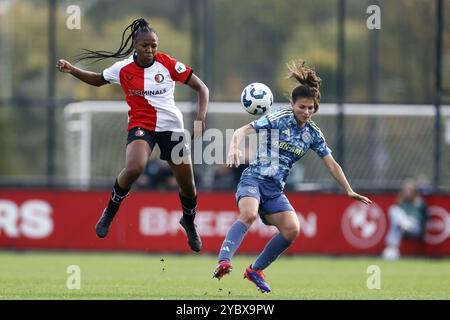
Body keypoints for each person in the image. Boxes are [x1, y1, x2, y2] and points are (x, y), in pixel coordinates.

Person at [212, 60, 372, 292]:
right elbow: (243, 129)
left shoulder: (313, 133)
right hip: (254, 179)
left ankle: (255, 270)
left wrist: (348, 189)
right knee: (249, 214)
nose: (306, 112)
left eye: (311, 108)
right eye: (302, 107)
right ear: (292, 104)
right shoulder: (280, 117)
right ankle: (223, 261)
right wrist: (234, 146)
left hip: (275, 189)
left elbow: (331, 163)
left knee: (292, 229)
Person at [56, 18, 209, 252]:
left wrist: (200, 118)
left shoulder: (167, 64)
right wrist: (71, 69)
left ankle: (188, 221)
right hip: (141, 125)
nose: (150, 50)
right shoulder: (123, 68)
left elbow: (202, 88)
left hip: (172, 127)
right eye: (145, 46)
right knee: (135, 167)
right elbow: (98, 80)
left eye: (153, 46)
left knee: (187, 185)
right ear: (135, 47)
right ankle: (109, 212)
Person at [382, 179, 429, 260]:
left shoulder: (420, 202)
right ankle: (393, 250)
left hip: (415, 227)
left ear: (414, 191)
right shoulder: (401, 202)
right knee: (394, 210)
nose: (408, 192)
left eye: (410, 190)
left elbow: (425, 218)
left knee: (397, 225)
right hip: (403, 226)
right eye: (406, 190)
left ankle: (391, 248)